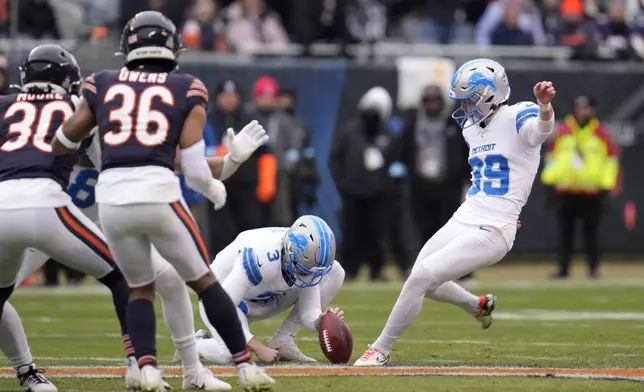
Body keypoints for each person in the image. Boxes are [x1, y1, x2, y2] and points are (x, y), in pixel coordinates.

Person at [51, 11, 275, 391]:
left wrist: (76, 130)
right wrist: (215, 181)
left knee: (143, 286)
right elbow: (189, 165)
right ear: (173, 49)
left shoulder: (101, 85)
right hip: (153, 193)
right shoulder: (184, 88)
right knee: (202, 279)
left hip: (109, 201)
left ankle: (153, 369)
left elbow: (61, 143)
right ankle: (242, 366)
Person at [354, 58, 556, 366]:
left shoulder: (519, 113)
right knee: (421, 277)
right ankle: (477, 305)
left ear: (490, 95)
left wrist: (545, 107)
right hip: (466, 215)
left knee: (420, 277)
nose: (465, 107)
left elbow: (539, 133)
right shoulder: (472, 129)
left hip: (495, 226)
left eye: (470, 99)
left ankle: (380, 349)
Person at [0, 45, 130, 392]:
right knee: (124, 276)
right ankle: (140, 364)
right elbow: (110, 167)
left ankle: (27, 373)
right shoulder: (79, 106)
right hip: (47, 205)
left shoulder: (3, 106)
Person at [194, 215, 345, 364]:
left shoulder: (303, 258)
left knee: (336, 272)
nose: (310, 278)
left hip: (263, 297)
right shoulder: (260, 256)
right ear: (290, 251)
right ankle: (194, 345)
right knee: (231, 353)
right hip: (219, 298)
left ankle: (282, 341)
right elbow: (221, 308)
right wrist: (258, 348)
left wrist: (320, 321)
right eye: (304, 270)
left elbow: (309, 312)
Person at [541, 95, 619, 279]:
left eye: (588, 108)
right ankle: (563, 268)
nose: (585, 112)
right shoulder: (564, 130)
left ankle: (593, 268)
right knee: (564, 233)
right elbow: (552, 157)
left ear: (594, 110)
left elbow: (610, 160)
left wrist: (606, 185)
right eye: (582, 108)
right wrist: (549, 180)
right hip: (566, 189)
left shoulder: (600, 133)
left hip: (590, 191)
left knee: (591, 233)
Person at [330, 86, 396, 282]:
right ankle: (349, 270)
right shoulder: (349, 131)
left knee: (376, 232)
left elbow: (394, 161)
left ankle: (376, 269)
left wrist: (384, 184)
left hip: (377, 194)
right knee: (351, 232)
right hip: (352, 192)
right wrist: (344, 182)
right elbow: (336, 159)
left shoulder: (388, 134)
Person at [208, 79, 276, 254]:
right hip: (218, 185)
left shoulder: (249, 120)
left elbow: (266, 152)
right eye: (225, 96)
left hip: (247, 186)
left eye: (232, 96)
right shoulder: (207, 121)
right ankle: (220, 270)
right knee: (220, 231)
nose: (229, 100)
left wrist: (266, 183)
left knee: (250, 228)